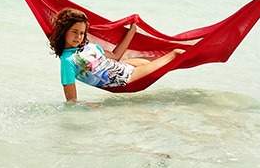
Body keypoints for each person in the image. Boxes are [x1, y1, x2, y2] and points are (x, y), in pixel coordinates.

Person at [50, 8, 185, 102]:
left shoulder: (89, 46)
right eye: (74, 32)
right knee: (175, 54)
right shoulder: (67, 61)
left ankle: (193, 55)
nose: (78, 37)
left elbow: (115, 56)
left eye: (81, 33)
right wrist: (86, 107)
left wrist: (132, 31)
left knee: (164, 59)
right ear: (64, 30)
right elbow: (71, 101)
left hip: (125, 66)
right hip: (127, 80)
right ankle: (193, 51)